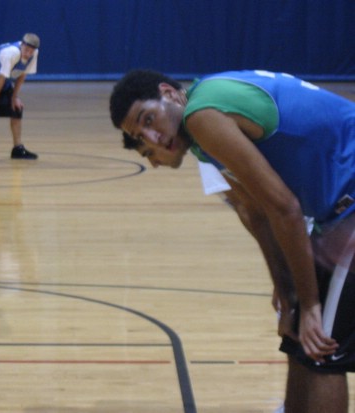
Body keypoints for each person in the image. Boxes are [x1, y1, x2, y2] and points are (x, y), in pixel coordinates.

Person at [109, 69, 355, 413]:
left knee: (323, 349)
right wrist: (288, 295)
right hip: (337, 211)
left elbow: (285, 209)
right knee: (299, 338)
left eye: (148, 119)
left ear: (170, 93)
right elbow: (258, 213)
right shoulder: (201, 132)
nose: (152, 137)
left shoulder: (202, 115)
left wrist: (311, 305)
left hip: (347, 203)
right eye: (140, 136)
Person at [0, 33, 40, 163]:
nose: (28, 54)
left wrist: (14, 97)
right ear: (22, 45)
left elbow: (22, 75)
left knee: (16, 108)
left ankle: (17, 149)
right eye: (26, 50)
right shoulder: (12, 53)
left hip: (2, 76)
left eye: (31, 51)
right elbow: (0, 77)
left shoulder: (34, 54)